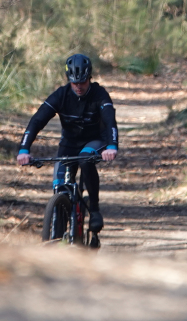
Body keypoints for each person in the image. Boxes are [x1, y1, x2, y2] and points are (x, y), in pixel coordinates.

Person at [17, 53, 119, 233]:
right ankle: (57, 233)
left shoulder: (99, 94)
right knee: (59, 187)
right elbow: (37, 121)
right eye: (75, 83)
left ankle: (94, 209)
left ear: (90, 78)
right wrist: (24, 149)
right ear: (68, 80)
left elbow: (110, 121)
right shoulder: (61, 95)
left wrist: (112, 146)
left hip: (95, 141)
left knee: (84, 158)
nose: (79, 87)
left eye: (83, 82)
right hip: (69, 143)